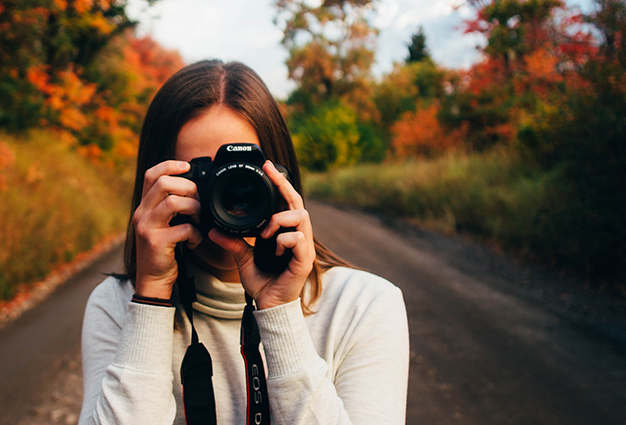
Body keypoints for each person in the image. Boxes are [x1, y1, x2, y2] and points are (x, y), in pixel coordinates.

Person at [78, 60, 409, 425]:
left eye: (246, 178)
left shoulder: (364, 305)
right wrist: (152, 294)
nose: (229, 197)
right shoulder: (117, 304)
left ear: (282, 178)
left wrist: (280, 311)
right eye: (203, 177)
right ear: (155, 185)